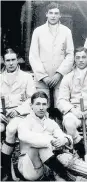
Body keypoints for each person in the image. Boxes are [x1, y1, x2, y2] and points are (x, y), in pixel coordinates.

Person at [29, 2, 74, 119]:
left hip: (60, 78)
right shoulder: (38, 31)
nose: (53, 16)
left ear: (60, 15)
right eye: (51, 13)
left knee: (61, 105)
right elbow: (33, 55)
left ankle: (62, 131)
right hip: (42, 78)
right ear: (46, 14)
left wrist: (59, 74)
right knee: (42, 106)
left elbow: (70, 55)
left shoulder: (66, 31)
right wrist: (44, 76)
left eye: (56, 13)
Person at [16, 91, 72, 181]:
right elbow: (29, 138)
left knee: (57, 152)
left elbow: (62, 135)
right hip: (29, 167)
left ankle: (60, 175)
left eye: (44, 104)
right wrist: (51, 140)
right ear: (31, 106)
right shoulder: (25, 122)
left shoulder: (50, 122)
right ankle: (66, 176)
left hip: (48, 164)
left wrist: (63, 140)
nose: (41, 108)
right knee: (40, 146)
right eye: (38, 104)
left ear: (47, 106)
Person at [0, 48, 36, 180]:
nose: (10, 63)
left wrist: (18, 110)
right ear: (3, 61)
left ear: (18, 60)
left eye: (13, 60)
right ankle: (5, 168)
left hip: (19, 114)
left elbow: (32, 99)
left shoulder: (26, 77)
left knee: (11, 129)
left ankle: (8, 171)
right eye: (7, 60)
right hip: (2, 114)